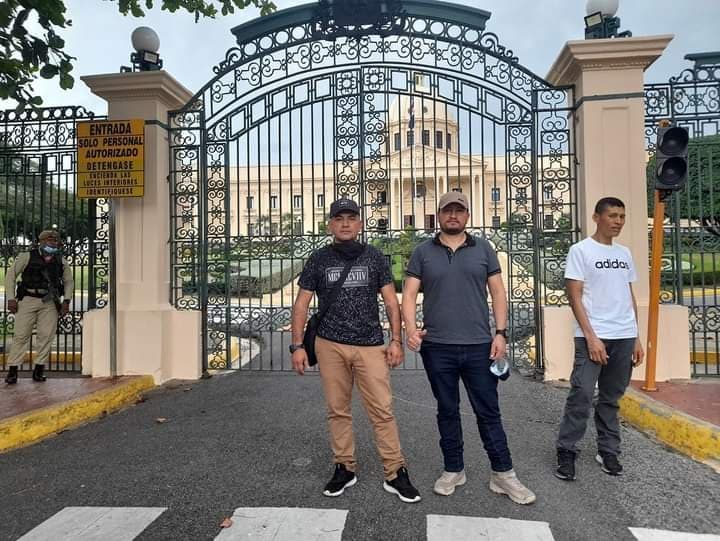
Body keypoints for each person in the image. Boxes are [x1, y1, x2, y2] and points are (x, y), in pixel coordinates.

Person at [402, 191, 536, 505]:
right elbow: (408, 295)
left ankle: (503, 474)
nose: (453, 216)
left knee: (488, 412)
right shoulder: (422, 252)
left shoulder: (484, 249)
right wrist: (410, 329)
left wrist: (500, 333)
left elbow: (498, 293)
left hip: (479, 345)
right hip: (437, 347)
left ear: (467, 216)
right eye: (448, 210)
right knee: (447, 411)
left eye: (458, 211)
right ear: (439, 215)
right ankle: (453, 469)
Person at [290, 197, 421, 503]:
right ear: (330, 225)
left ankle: (394, 471)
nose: (345, 223)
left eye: (351, 218)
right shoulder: (319, 259)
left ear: (360, 223)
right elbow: (301, 304)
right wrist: (297, 346)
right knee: (337, 410)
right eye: (339, 219)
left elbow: (391, 302)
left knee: (382, 410)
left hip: (370, 345)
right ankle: (344, 467)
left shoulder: (374, 256)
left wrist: (396, 340)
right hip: (330, 345)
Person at [555, 197, 644, 480]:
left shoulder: (624, 253)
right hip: (592, 336)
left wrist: (637, 337)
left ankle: (608, 450)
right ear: (597, 218)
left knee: (611, 398)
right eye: (613, 216)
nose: (618, 221)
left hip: (624, 335)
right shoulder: (580, 251)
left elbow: (627, 294)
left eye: (622, 216)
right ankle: (566, 450)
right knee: (581, 394)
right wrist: (591, 337)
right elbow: (574, 296)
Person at [4, 230, 73, 385]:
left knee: (46, 336)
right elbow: (10, 276)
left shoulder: (60, 260)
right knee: (21, 335)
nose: (52, 244)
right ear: (40, 242)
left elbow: (69, 281)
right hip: (28, 299)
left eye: (55, 241)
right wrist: (11, 299)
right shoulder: (26, 257)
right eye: (49, 241)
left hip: (49, 302)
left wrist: (66, 301)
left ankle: (39, 370)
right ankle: (13, 370)